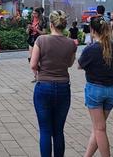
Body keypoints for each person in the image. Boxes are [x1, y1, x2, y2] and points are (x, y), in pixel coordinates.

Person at [30, 10, 75, 157]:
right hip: (63, 88)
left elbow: (33, 64)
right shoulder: (70, 44)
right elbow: (69, 64)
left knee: (45, 130)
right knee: (58, 131)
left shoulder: (41, 40)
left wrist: (38, 73)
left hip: (43, 87)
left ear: (50, 24)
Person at [78, 17, 113, 157]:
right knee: (98, 128)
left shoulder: (91, 49)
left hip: (95, 90)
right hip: (111, 90)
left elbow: (79, 65)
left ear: (92, 30)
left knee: (100, 129)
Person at [27, 8, 47, 79]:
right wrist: (29, 29)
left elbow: (44, 33)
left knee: (38, 58)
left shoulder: (42, 21)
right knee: (31, 58)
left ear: (39, 14)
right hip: (31, 39)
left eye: (35, 13)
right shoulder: (31, 20)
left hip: (38, 40)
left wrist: (36, 29)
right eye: (33, 13)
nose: (33, 15)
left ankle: (40, 74)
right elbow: (27, 32)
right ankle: (35, 75)